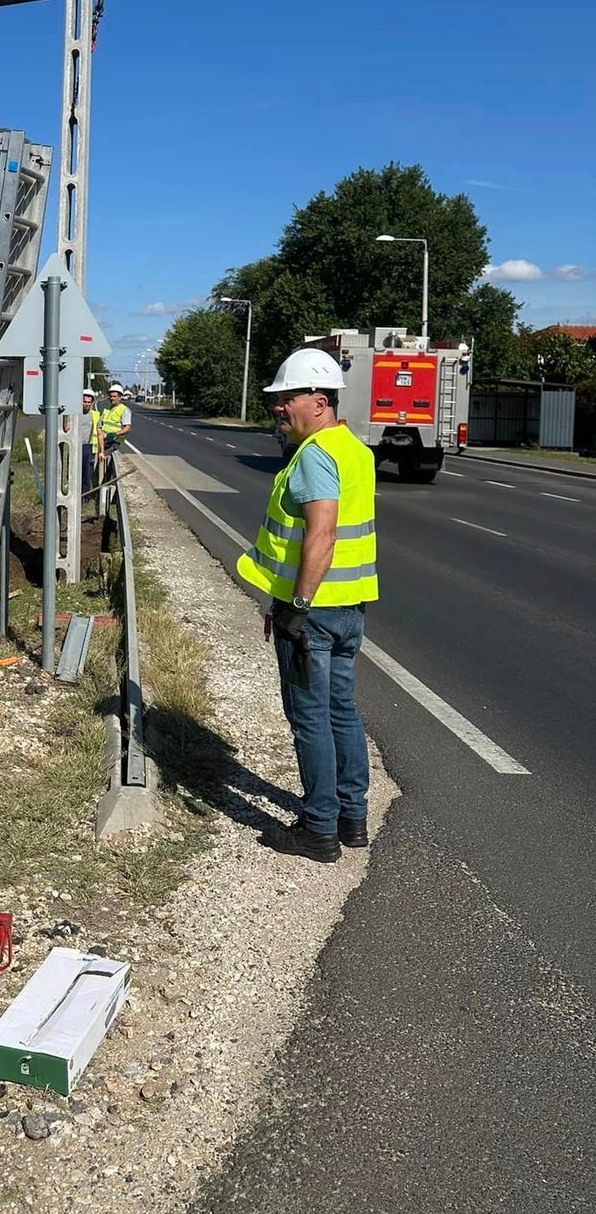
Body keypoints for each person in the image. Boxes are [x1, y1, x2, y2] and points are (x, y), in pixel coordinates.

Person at [236, 348, 378, 863]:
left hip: (313, 613)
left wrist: (296, 603)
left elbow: (322, 535)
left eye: (288, 397)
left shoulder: (316, 455)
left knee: (310, 717)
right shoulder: (353, 450)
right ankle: (351, 817)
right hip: (349, 608)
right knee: (341, 709)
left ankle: (318, 828)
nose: (279, 406)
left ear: (319, 401)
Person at [80, 388, 103, 502]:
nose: (86, 404)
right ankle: (75, 496)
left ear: (92, 402)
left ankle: (86, 497)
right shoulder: (75, 414)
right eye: (84, 401)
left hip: (88, 448)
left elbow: (99, 434)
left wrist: (101, 451)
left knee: (87, 474)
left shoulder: (95, 415)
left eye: (89, 402)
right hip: (76, 447)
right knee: (75, 473)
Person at [99, 383, 132, 450]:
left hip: (114, 442)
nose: (112, 398)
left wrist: (115, 434)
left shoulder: (124, 410)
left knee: (106, 458)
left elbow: (127, 428)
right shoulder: (107, 409)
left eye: (114, 396)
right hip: (104, 440)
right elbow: (101, 424)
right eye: (111, 396)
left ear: (119, 397)